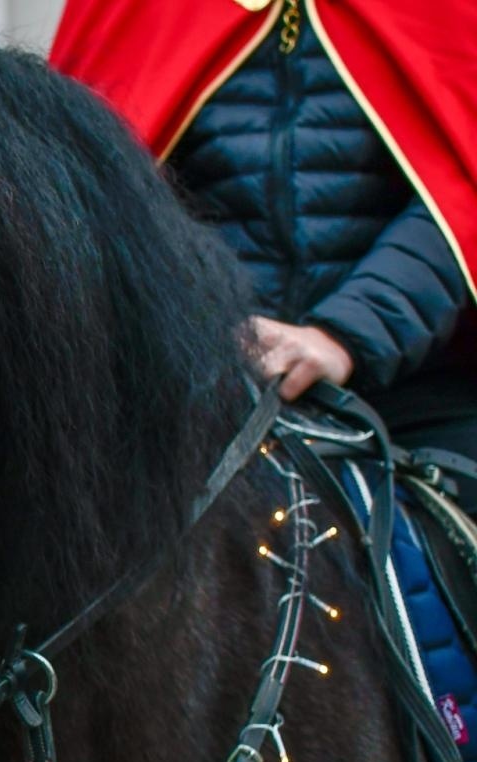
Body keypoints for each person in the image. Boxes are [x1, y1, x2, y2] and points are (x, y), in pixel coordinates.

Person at [49, 0, 477, 496]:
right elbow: (97, 210)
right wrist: (212, 341)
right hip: (202, 398)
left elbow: (460, 198)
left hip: (420, 392)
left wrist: (345, 335)